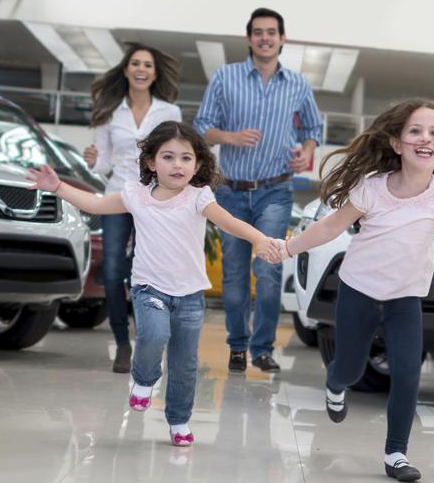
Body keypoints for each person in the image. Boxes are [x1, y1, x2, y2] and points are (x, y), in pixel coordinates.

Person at [27, 121, 281, 447]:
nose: (178, 165)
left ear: (198, 164)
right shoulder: (136, 195)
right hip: (149, 287)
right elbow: (96, 204)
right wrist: (58, 186)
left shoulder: (199, 197)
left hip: (189, 295)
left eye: (186, 158)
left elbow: (229, 222)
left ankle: (178, 420)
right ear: (150, 162)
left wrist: (259, 239)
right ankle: (144, 379)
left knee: (185, 364)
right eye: (168, 156)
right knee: (153, 333)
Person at [273, 99, 434, 481]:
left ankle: (396, 454)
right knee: (351, 369)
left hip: (405, 298)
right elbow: (330, 228)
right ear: (396, 143)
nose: (426, 139)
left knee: (407, 374)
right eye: (415, 131)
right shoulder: (372, 189)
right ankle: (334, 384)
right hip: (359, 291)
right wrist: (288, 247)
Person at [194, 7, 323, 374]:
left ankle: (262, 348)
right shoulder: (225, 77)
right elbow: (202, 126)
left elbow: (314, 127)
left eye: (272, 32)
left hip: (275, 189)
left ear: (282, 39)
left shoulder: (297, 84)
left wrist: (308, 152)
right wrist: (229, 137)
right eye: (258, 32)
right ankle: (237, 346)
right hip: (231, 193)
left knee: (268, 269)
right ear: (249, 38)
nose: (265, 38)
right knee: (234, 274)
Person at [83, 43, 183, 373]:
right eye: (135, 63)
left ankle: (146, 339)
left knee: (144, 271)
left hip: (153, 200)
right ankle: (122, 344)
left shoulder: (169, 112)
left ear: (155, 73)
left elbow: (173, 158)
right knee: (112, 270)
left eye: (148, 65)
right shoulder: (110, 111)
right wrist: (94, 160)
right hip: (118, 194)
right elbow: (104, 164)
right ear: (126, 69)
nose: (141, 69)